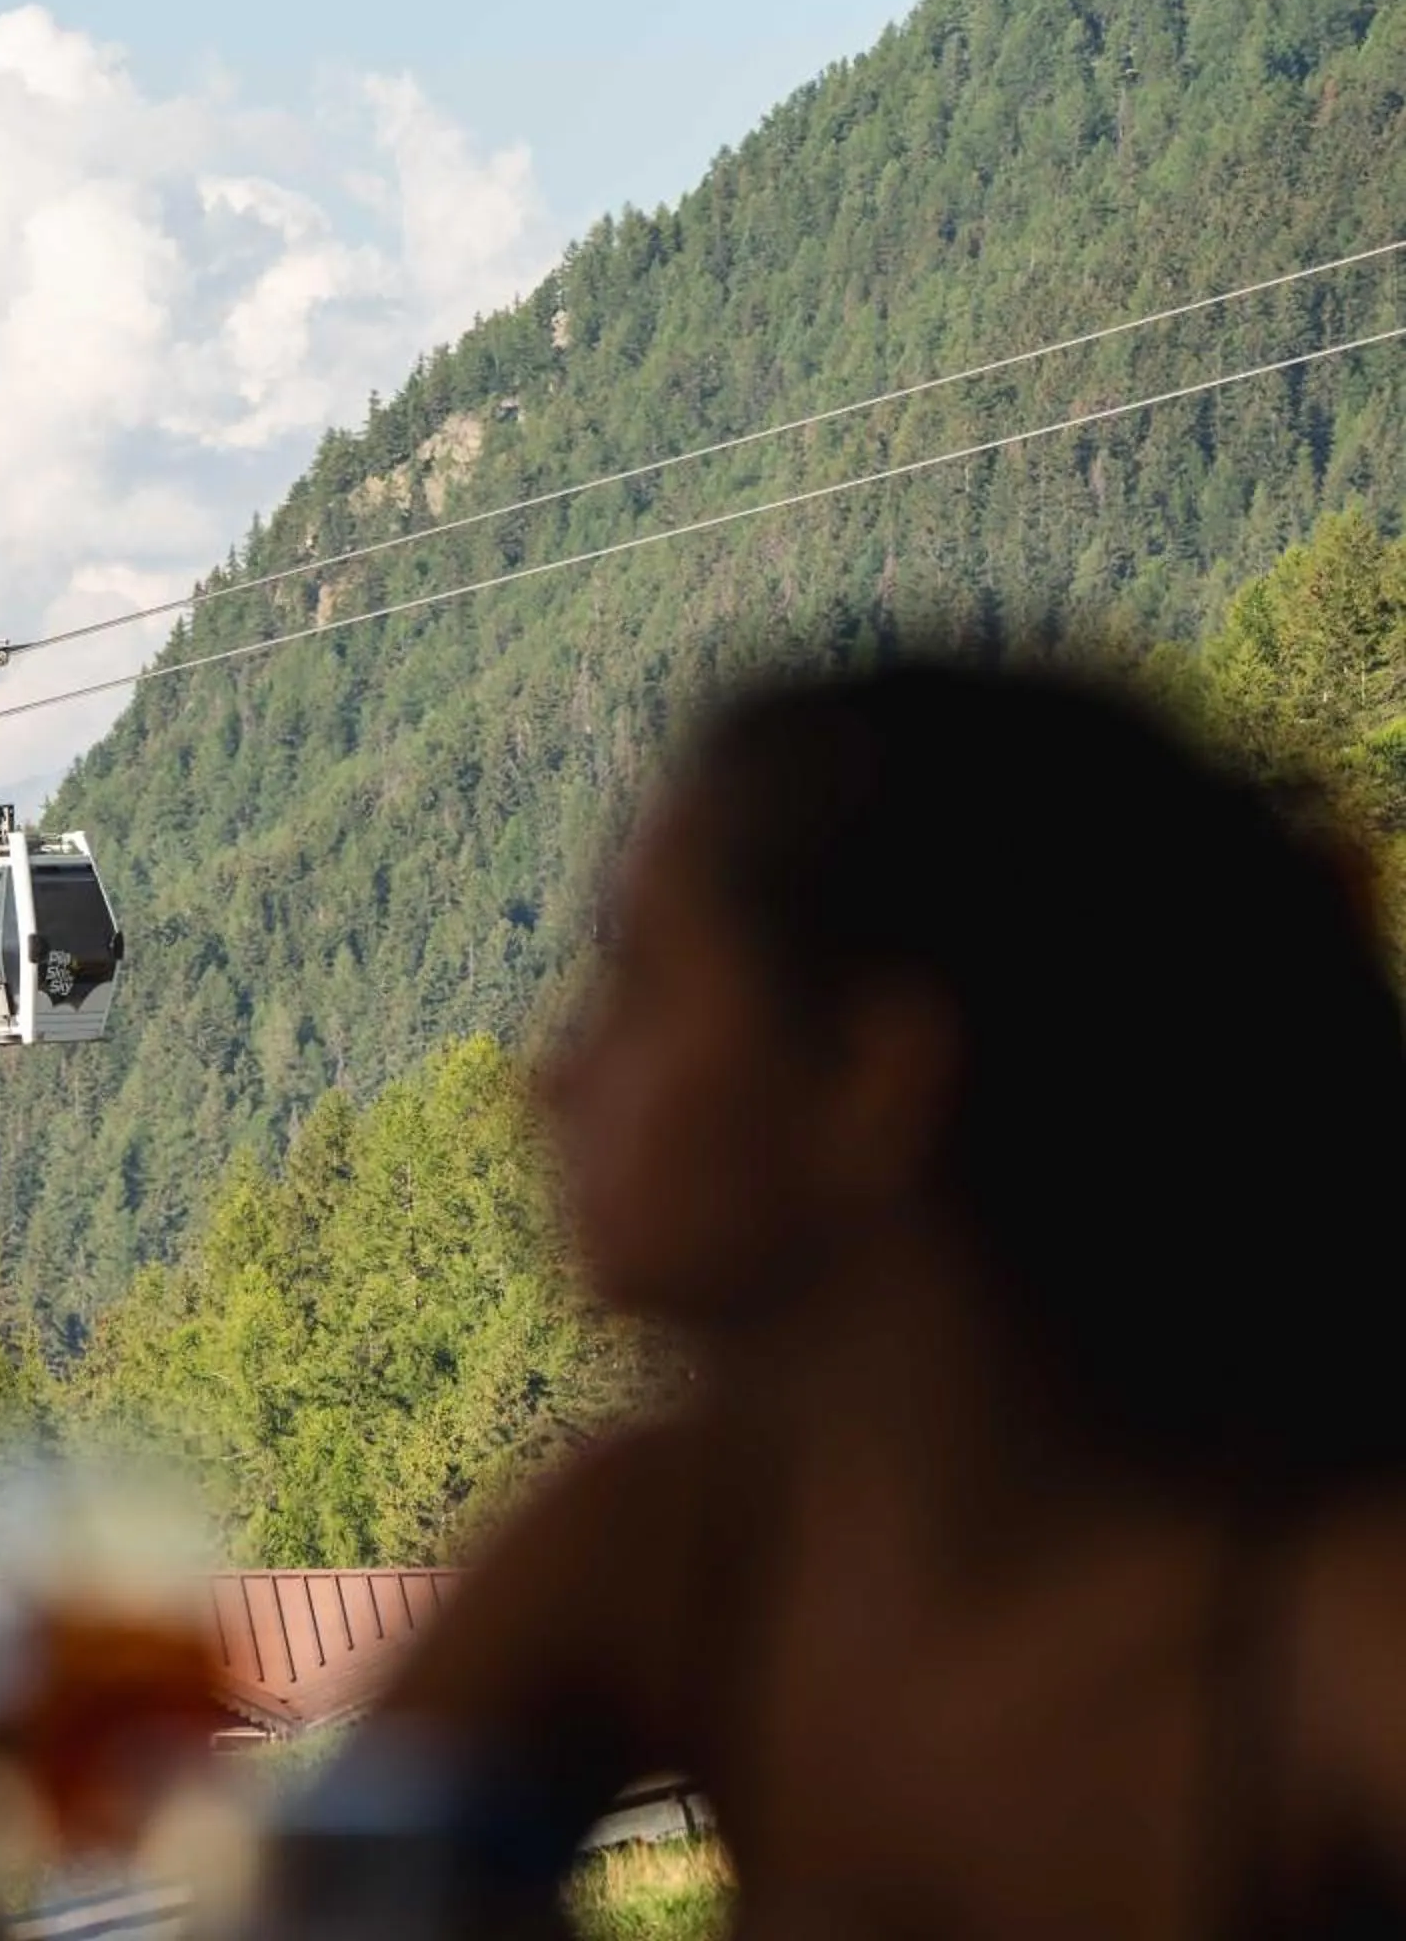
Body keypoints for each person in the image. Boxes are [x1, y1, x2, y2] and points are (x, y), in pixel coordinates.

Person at [345, 659, 1406, 1937]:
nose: (553, 1082)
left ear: (870, 1070)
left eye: (638, 985)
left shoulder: (1336, 1619)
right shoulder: (667, 1536)